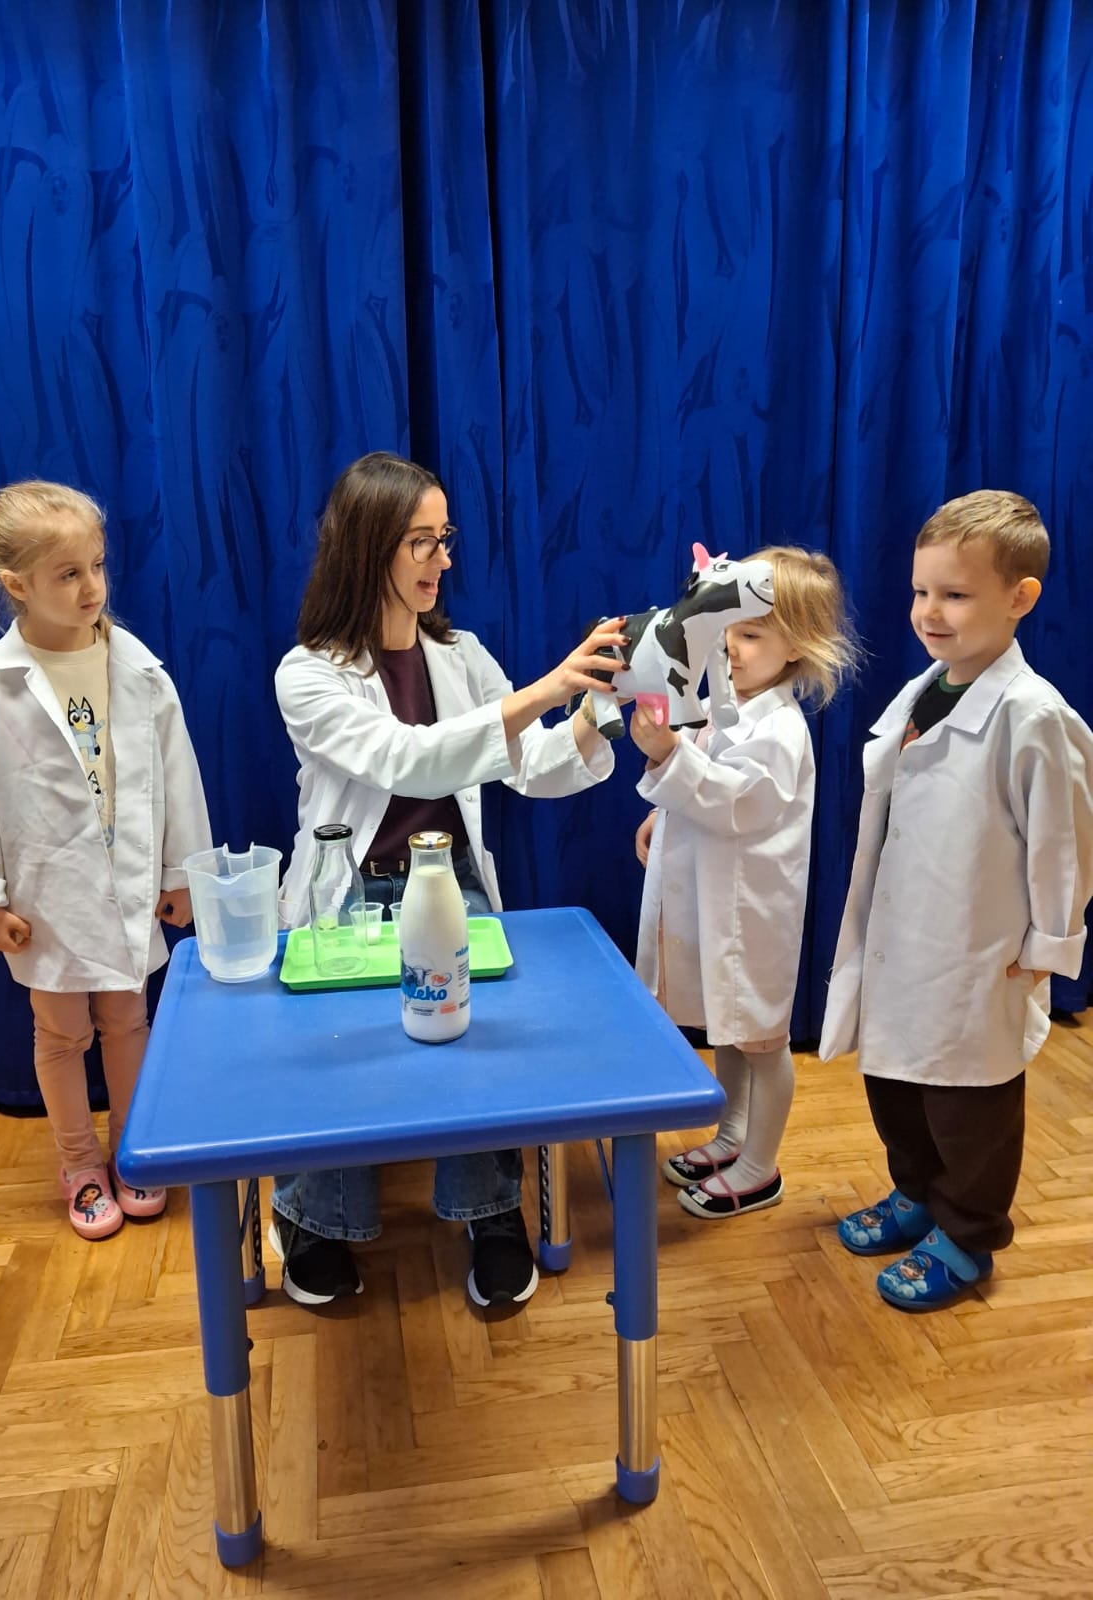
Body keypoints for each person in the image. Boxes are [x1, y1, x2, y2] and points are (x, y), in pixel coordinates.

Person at [270, 451, 625, 1309]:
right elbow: (406, 757)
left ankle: (490, 1210)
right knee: (341, 1041)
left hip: (444, 878)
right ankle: (316, 1216)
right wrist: (547, 687)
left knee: (472, 1032)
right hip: (350, 891)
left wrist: (603, 706)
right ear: (368, 547)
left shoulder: (460, 656)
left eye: (445, 537)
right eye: (421, 541)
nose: (443, 559)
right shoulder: (309, 673)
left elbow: (533, 765)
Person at [821, 490, 1093, 1311]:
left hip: (981, 949)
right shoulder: (927, 689)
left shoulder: (1035, 716)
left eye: (956, 594)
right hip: (905, 934)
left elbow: (1065, 844)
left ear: (1020, 597)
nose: (929, 612)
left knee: (968, 1101)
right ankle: (916, 1191)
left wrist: (1048, 947)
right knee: (896, 1080)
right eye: (920, 591)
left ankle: (968, 1233)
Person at [0, 481, 213, 1240]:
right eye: (67, 573)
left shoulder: (140, 672)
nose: (92, 587)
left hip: (127, 884)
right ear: (16, 585)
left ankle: (134, 1150)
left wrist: (180, 873)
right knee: (60, 1033)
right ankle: (80, 1163)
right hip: (46, 895)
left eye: (97, 566)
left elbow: (178, 775)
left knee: (128, 1018)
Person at [632, 547, 858, 1218]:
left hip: (750, 908)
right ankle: (732, 1135)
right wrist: (662, 809)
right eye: (726, 630)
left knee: (760, 1037)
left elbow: (740, 800)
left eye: (752, 635)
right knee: (727, 1027)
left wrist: (668, 759)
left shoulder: (781, 728)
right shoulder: (726, 704)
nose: (731, 646)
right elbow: (702, 768)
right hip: (713, 896)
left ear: (797, 647)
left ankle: (760, 1165)